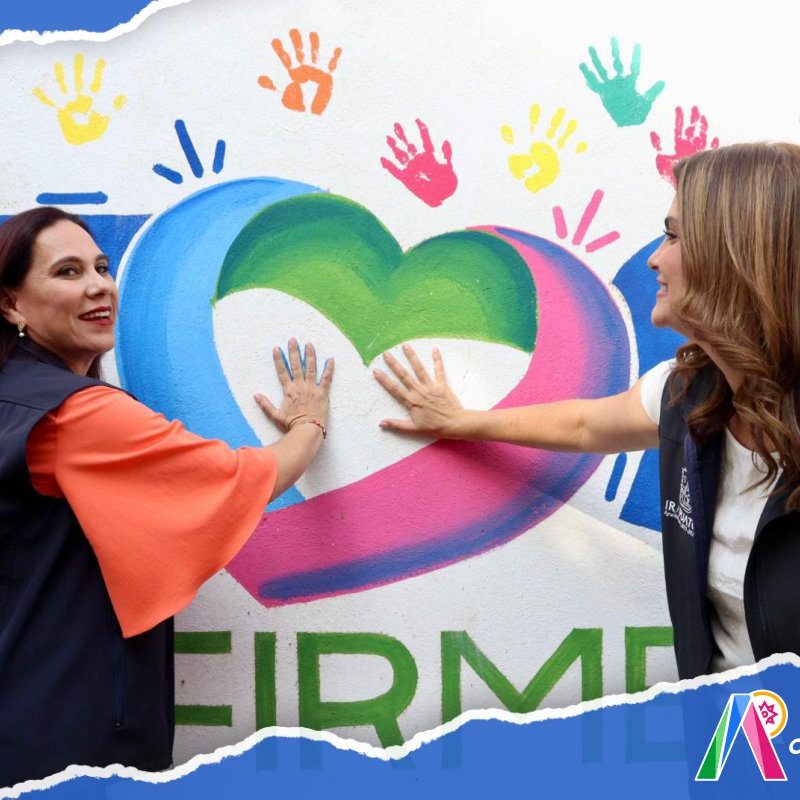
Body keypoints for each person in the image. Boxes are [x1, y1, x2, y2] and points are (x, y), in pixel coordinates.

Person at [374, 142, 800, 682]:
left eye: (673, 236)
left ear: (733, 255)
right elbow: (584, 425)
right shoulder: (688, 396)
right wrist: (462, 422)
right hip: (737, 719)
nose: (655, 259)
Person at [0, 206, 333, 787]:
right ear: (10, 304)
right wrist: (308, 425)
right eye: (68, 272)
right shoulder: (74, 415)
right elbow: (237, 477)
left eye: (101, 267)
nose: (99, 285)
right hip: (70, 735)